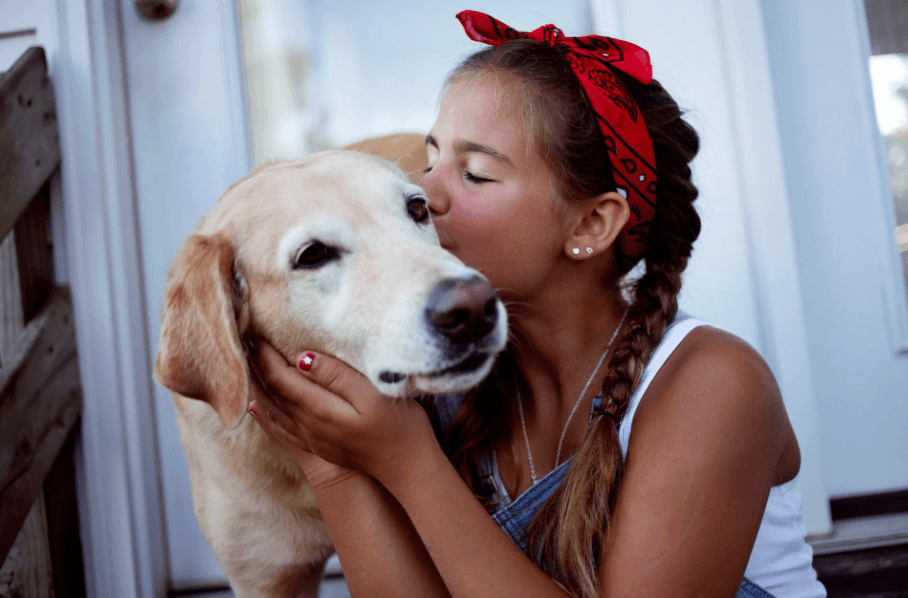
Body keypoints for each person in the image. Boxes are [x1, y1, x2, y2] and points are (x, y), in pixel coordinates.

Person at [247, 10, 826, 598]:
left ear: (591, 224)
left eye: (474, 174)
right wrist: (331, 460)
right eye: (431, 159)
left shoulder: (713, 386)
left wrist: (409, 464)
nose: (422, 192)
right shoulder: (443, 381)